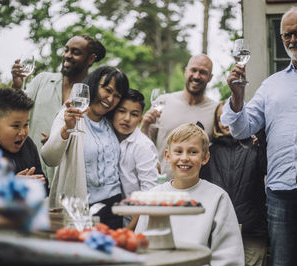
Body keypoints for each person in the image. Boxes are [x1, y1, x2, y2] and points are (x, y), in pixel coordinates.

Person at [221, 6, 297, 266]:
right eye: (286, 35)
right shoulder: (271, 84)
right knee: (282, 263)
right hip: (281, 190)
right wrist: (237, 96)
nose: (292, 40)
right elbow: (242, 129)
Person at [136, 123, 244, 266]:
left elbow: (229, 253)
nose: (185, 158)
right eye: (178, 151)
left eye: (193, 152)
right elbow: (139, 246)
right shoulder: (154, 196)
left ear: (205, 157)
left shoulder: (218, 197)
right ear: (168, 156)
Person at [41, 66, 129, 229]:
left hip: (115, 208)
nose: (110, 99)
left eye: (116, 96)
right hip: (83, 209)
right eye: (107, 90)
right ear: (94, 85)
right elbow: (49, 158)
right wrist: (66, 129)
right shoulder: (70, 115)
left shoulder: (111, 122)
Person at [11, 34, 106, 183]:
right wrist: (17, 85)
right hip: (32, 173)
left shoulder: (93, 97)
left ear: (91, 58)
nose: (67, 56)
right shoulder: (42, 80)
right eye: (66, 50)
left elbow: (98, 139)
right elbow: (15, 109)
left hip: (67, 178)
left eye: (75, 52)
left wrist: (59, 141)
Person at [199, 100, 268, 266]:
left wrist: (260, 138)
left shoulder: (255, 147)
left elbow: (268, 168)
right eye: (222, 118)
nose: (227, 122)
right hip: (218, 232)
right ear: (216, 122)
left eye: (231, 117)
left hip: (252, 232)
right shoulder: (209, 153)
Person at [140, 54, 218, 180]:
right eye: (193, 70)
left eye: (203, 72)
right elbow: (143, 144)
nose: (197, 76)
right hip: (162, 183)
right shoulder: (163, 102)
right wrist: (145, 124)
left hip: (198, 187)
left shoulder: (216, 110)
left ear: (210, 77)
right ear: (185, 71)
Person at [0, 88, 48, 192]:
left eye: (26, 125)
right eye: (16, 126)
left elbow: (43, 187)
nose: (23, 133)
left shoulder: (28, 145)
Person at [111, 88, 158, 227]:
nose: (127, 118)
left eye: (134, 114)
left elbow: (150, 194)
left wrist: (130, 229)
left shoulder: (143, 146)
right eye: (121, 111)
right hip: (112, 216)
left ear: (140, 119)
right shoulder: (107, 136)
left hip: (137, 221)